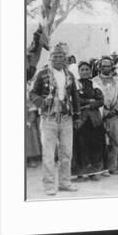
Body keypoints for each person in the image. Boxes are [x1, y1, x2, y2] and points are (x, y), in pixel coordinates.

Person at [29, 43, 79, 196]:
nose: (58, 59)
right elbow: (32, 94)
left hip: (66, 118)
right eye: (55, 56)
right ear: (50, 58)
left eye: (61, 56)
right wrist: (43, 103)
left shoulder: (69, 75)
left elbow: (75, 96)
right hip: (49, 118)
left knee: (66, 153)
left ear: (65, 58)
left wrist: (76, 115)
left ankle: (65, 182)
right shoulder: (42, 74)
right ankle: (49, 185)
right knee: (49, 154)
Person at [72, 61, 107, 181]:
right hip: (81, 119)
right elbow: (75, 100)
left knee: (95, 145)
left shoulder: (95, 85)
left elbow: (101, 100)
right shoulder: (74, 85)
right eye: (82, 70)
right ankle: (80, 173)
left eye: (87, 69)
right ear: (78, 72)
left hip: (94, 119)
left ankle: (94, 172)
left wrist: (90, 105)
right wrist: (89, 101)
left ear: (90, 71)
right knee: (80, 145)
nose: (85, 72)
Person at [92, 57, 118, 176]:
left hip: (114, 115)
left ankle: (112, 166)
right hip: (101, 114)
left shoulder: (116, 82)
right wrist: (104, 112)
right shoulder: (94, 81)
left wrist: (116, 110)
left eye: (108, 66)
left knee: (114, 140)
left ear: (111, 67)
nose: (106, 68)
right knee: (100, 140)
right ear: (99, 67)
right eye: (104, 66)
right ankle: (101, 167)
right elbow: (95, 98)